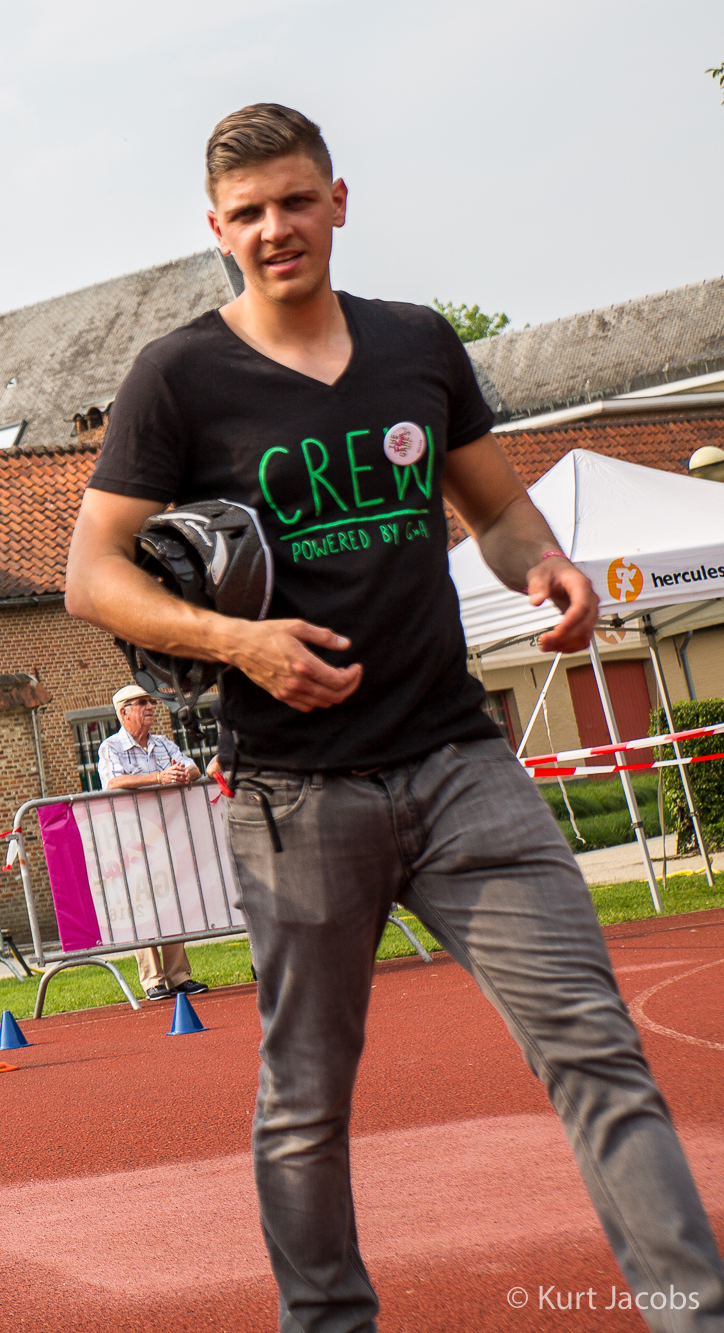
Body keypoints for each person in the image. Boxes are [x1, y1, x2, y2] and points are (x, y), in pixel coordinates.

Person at [64, 104, 724, 1332]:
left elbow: (497, 513)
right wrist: (236, 640)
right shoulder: (176, 376)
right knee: (305, 1103)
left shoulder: (417, 343)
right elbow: (89, 577)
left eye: (293, 201)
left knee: (594, 1049)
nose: (274, 229)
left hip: (459, 764)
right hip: (295, 792)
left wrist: (546, 565)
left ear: (336, 202)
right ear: (215, 228)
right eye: (247, 213)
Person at [96, 684, 210, 1000]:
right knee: (143, 905)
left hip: (167, 834)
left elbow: (191, 766)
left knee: (172, 899)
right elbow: (113, 781)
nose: (150, 707)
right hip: (131, 839)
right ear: (124, 712)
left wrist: (185, 775)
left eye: (151, 702)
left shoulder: (163, 743)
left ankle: (178, 976)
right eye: (142, 702)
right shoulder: (110, 747)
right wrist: (159, 778)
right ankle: (152, 980)